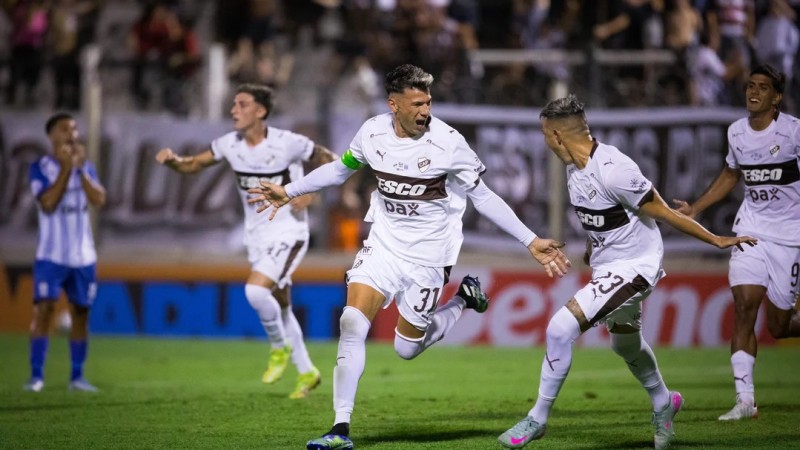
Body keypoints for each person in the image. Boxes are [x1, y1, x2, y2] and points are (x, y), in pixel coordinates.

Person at [247, 64, 572, 450]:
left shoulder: (448, 143)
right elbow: (340, 170)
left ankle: (463, 300)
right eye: (417, 102)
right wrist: (289, 190)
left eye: (428, 102)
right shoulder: (372, 132)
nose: (425, 110)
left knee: (406, 349)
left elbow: (483, 196)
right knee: (352, 322)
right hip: (384, 245)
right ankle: (340, 429)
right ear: (393, 104)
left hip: (430, 256)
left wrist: (529, 239)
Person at [497, 94, 757, 450]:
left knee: (560, 327)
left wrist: (716, 240)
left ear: (557, 136)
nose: (545, 143)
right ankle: (664, 402)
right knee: (626, 345)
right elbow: (604, 220)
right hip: (608, 268)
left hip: (637, 269)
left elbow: (664, 212)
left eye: (545, 136)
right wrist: (593, 249)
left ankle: (538, 418)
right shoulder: (575, 169)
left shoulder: (615, 169)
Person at [155, 83, 336, 399]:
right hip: (257, 237)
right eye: (233, 104)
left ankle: (278, 348)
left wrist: (310, 191)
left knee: (255, 291)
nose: (233, 110)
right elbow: (194, 164)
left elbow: (332, 160)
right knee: (280, 305)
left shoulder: (288, 143)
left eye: (241, 104)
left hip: (289, 233)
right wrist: (173, 161)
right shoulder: (230, 144)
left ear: (261, 111)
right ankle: (307, 372)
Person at [673, 64, 800, 421]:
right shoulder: (737, 132)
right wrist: (695, 208)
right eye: (749, 86)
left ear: (777, 97)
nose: (753, 92)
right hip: (750, 229)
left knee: (779, 325)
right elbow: (732, 173)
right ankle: (745, 401)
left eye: (762, 87)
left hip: (789, 237)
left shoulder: (793, 132)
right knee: (745, 305)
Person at [25, 113, 107, 392]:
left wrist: (79, 169)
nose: (72, 134)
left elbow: (99, 199)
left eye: (73, 129)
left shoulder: (86, 167)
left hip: (83, 256)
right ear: (52, 136)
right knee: (44, 311)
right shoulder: (40, 168)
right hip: (51, 255)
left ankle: (77, 377)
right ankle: (37, 376)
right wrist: (64, 169)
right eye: (64, 129)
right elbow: (47, 203)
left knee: (80, 313)